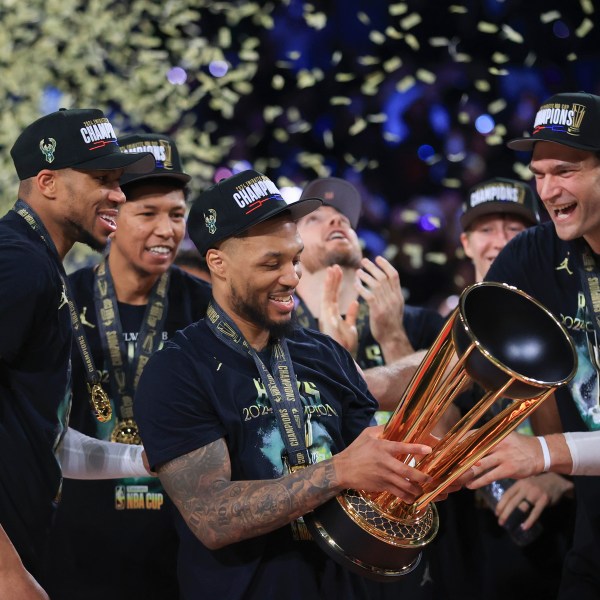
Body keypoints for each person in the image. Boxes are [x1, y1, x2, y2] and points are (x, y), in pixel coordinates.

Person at [133, 169, 439, 600]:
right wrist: (336, 472)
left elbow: (366, 474)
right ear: (218, 264)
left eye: (293, 259)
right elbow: (210, 516)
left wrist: (414, 475)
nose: (293, 277)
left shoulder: (326, 354)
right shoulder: (177, 370)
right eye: (271, 263)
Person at [41, 133, 212, 599]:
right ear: (113, 217)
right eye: (149, 213)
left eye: (177, 214)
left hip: (183, 545)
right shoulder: (61, 299)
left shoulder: (209, 309)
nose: (167, 229)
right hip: (78, 543)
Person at [0, 108, 155, 584]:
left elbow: (43, 439)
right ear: (47, 182)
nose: (119, 194)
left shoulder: (41, 266)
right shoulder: (19, 263)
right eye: (102, 179)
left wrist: (144, 461)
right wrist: (7, 572)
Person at [467, 91, 600, 599]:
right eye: (539, 173)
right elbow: (462, 348)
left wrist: (542, 454)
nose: (547, 190)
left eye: (564, 171)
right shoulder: (534, 253)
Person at [455, 177, 575, 599]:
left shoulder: (570, 317)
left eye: (514, 229)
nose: (500, 242)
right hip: (476, 533)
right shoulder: (434, 326)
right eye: (487, 229)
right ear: (466, 242)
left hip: (565, 521)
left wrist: (560, 473)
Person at [295, 177, 445, 418]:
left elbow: (443, 429)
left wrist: (393, 336)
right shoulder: (273, 333)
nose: (337, 220)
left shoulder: (422, 325)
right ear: (292, 245)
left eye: (344, 219)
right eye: (315, 218)